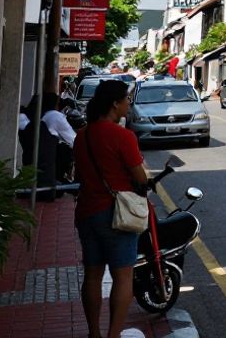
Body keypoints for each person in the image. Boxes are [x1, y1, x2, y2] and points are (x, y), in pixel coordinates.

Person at [74, 79, 147, 338]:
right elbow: (140, 177)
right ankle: (113, 334)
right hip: (117, 214)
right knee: (122, 277)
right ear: (115, 104)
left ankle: (94, 333)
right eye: (126, 99)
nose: (129, 104)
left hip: (86, 212)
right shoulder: (123, 136)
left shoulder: (82, 135)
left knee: (92, 276)